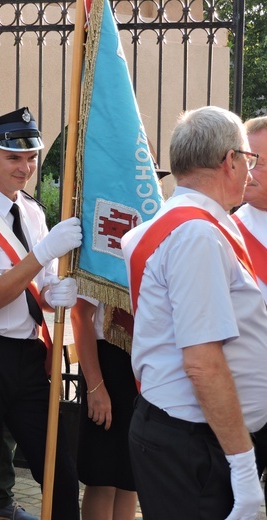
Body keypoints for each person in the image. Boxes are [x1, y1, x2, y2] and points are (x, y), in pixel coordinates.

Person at [121, 106, 267, 520]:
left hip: (194, 439)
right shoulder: (197, 233)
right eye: (249, 160)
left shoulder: (186, 223)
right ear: (230, 161)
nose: (250, 172)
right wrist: (242, 468)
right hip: (197, 447)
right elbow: (202, 363)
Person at [0, 107, 82, 520]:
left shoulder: (30, 209)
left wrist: (54, 294)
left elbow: (34, 290)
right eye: (13, 157)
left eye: (31, 157)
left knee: (59, 472)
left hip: (27, 355)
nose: (25, 167)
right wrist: (42, 254)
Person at [70, 297, 137, 520]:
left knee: (130, 477)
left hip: (139, 360)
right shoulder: (100, 259)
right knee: (103, 475)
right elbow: (79, 315)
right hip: (107, 362)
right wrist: (95, 386)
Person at [232, 115, 267, 503]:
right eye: (246, 159)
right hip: (247, 404)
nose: (249, 171)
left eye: (259, 160)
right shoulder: (228, 233)